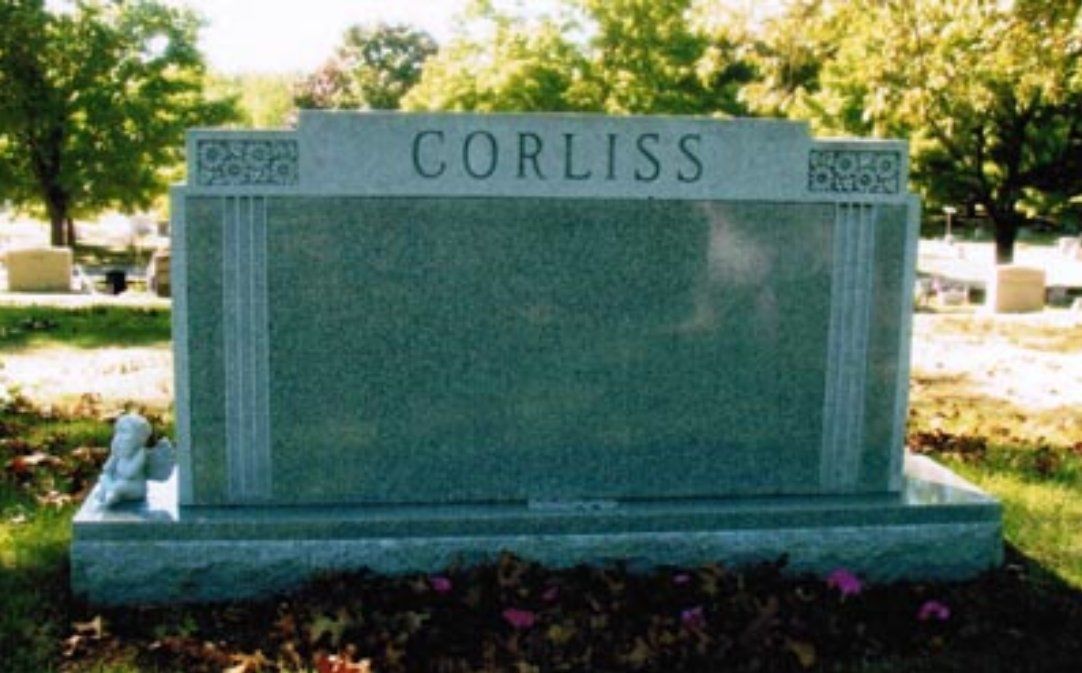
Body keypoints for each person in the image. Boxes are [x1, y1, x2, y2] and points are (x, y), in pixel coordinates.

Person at [97, 413, 152, 507]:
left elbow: (129, 474)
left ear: (139, 437)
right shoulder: (120, 453)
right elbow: (106, 469)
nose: (120, 437)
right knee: (103, 477)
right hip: (119, 483)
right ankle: (111, 493)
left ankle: (111, 491)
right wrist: (114, 455)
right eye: (118, 432)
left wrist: (111, 482)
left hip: (136, 487)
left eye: (125, 432)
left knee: (120, 486)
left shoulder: (140, 453)